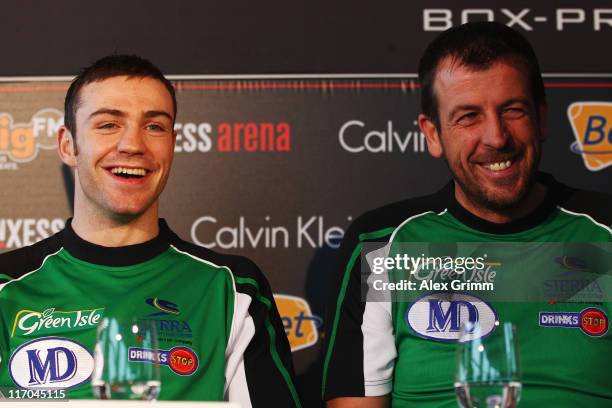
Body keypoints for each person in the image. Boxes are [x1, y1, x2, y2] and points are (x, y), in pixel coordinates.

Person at [321, 22, 611, 407]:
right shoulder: (380, 245)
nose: (496, 137)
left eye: (513, 110)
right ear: (433, 134)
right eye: (469, 116)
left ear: (541, 118)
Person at [0, 55, 301, 407]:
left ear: (172, 145)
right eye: (109, 124)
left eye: (154, 127)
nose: (132, 145)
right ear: (68, 145)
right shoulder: (7, 286)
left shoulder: (233, 288)